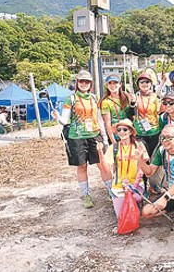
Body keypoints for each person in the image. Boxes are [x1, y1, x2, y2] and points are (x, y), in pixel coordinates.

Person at [53, 70, 108, 209]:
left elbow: (99, 119)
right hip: (76, 137)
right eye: (81, 81)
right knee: (82, 166)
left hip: (94, 135)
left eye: (87, 81)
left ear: (91, 84)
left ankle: (110, 190)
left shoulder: (95, 98)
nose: (84, 84)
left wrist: (104, 138)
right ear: (77, 83)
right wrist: (57, 117)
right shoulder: (70, 99)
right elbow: (65, 120)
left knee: (102, 164)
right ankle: (85, 194)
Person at [100, 119, 148, 218]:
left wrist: (133, 185)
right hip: (118, 186)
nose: (121, 132)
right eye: (119, 130)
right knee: (121, 217)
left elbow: (143, 169)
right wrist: (100, 152)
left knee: (136, 215)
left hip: (136, 185)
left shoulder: (139, 146)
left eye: (125, 129)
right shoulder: (113, 148)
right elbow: (105, 169)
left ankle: (137, 202)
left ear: (131, 131)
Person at [131, 72, 162, 158]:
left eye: (147, 82)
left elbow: (160, 112)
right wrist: (132, 103)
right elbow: (130, 113)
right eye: (142, 82)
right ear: (138, 84)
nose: (144, 84)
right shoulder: (135, 96)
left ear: (151, 84)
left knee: (154, 157)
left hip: (154, 132)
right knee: (143, 157)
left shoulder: (156, 97)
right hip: (140, 132)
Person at [100, 73, 133, 144]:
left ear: (120, 84)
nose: (113, 86)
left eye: (115, 83)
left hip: (129, 133)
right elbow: (108, 124)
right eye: (110, 83)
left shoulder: (126, 96)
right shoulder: (106, 102)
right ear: (107, 85)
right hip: (117, 135)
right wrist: (113, 142)